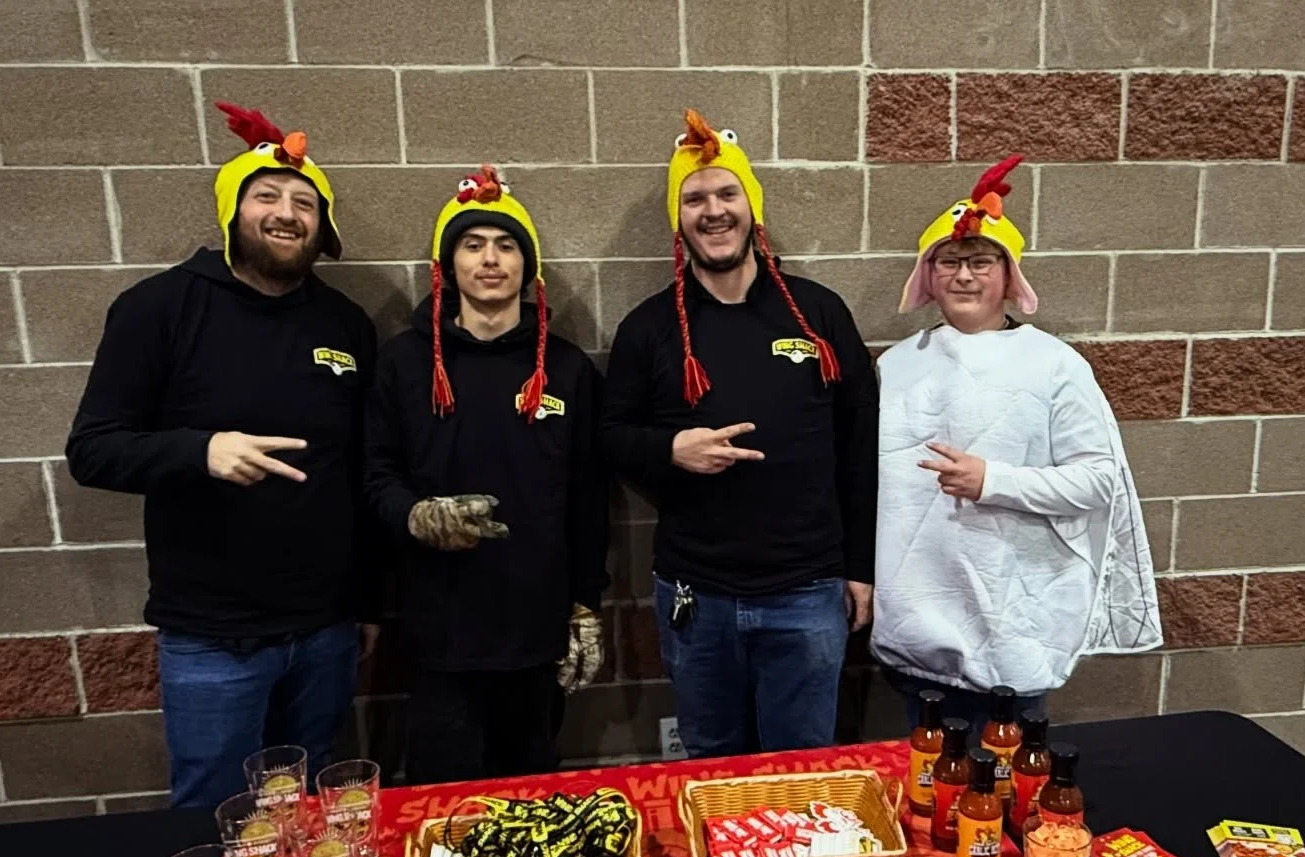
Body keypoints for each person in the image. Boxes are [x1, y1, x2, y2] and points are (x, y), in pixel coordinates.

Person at [65, 103, 380, 809]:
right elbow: (91, 450)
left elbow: (362, 473)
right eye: (266, 196)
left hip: (326, 629)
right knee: (213, 820)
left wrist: (366, 602)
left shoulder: (345, 324)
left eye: (304, 202)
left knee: (310, 818)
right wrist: (200, 450)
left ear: (321, 228)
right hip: (213, 638)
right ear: (231, 211)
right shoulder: (159, 309)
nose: (286, 213)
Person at [602, 110, 877, 760]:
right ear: (679, 218)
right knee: (711, 757)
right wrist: (671, 449)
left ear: (752, 206)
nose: (713, 210)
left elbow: (861, 445)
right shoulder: (648, 329)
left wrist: (860, 568)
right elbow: (609, 438)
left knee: (802, 766)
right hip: (694, 593)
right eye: (694, 198)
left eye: (727, 194)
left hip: (808, 590)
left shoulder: (818, 313)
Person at [872, 155, 1162, 730]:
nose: (964, 275)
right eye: (948, 261)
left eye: (981, 261)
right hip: (915, 629)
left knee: (1001, 790)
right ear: (927, 278)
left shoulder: (1056, 365)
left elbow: (1099, 478)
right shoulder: (897, 366)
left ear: (1009, 276)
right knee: (929, 789)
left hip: (1011, 627)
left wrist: (993, 482)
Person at [363, 165, 608, 784]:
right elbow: (375, 476)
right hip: (440, 629)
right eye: (473, 245)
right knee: (446, 798)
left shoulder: (569, 369)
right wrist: (416, 516)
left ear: (528, 266)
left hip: (536, 627)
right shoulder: (402, 364)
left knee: (530, 792)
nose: (490, 260)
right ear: (448, 266)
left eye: (506, 246)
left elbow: (587, 498)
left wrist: (585, 603)